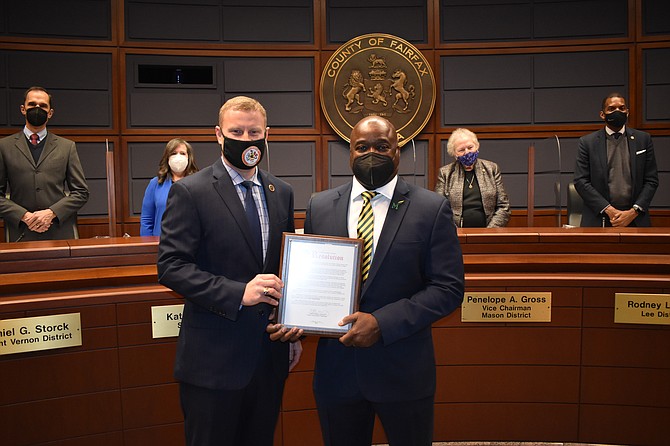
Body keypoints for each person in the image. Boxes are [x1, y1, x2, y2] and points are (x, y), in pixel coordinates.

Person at [297, 116, 464, 446]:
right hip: (337, 372)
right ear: (349, 153)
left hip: (402, 371)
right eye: (362, 147)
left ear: (397, 151)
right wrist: (295, 317)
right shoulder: (320, 206)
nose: (371, 153)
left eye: (381, 146)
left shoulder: (431, 208)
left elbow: (448, 288)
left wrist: (382, 323)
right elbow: (311, 281)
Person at [157, 96, 302, 446]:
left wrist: (294, 324)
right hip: (213, 361)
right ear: (219, 135)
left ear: (267, 135)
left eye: (254, 131)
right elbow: (171, 266)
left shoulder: (281, 192)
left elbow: (284, 266)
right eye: (236, 131)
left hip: (268, 355)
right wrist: (239, 292)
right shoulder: (190, 192)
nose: (246, 138)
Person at [0, 86, 88, 242]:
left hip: (59, 232)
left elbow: (81, 192)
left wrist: (51, 213)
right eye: (32, 104)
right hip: (21, 232)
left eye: (43, 106)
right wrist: (25, 216)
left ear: (50, 113)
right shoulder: (4, 146)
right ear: (23, 109)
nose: (37, 108)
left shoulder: (67, 147)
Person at [574, 92, 659, 227]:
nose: (618, 111)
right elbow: (581, 181)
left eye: (622, 108)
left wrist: (633, 212)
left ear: (627, 112)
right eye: (612, 109)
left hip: (635, 218)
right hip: (599, 218)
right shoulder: (587, 142)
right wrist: (610, 210)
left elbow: (651, 180)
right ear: (602, 114)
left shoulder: (643, 140)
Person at [435, 128, 510, 228]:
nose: (467, 153)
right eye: (461, 150)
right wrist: (454, 232)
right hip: (456, 234)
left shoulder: (491, 168)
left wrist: (490, 231)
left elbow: (503, 206)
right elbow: (439, 209)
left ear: (477, 146)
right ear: (454, 153)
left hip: (488, 233)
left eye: (470, 147)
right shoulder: (445, 173)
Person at [140, 138, 198, 236]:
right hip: (161, 244)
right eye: (174, 153)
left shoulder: (198, 182)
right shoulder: (155, 183)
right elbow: (147, 220)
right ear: (167, 157)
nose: (178, 157)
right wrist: (148, 246)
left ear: (189, 157)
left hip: (191, 244)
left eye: (182, 153)